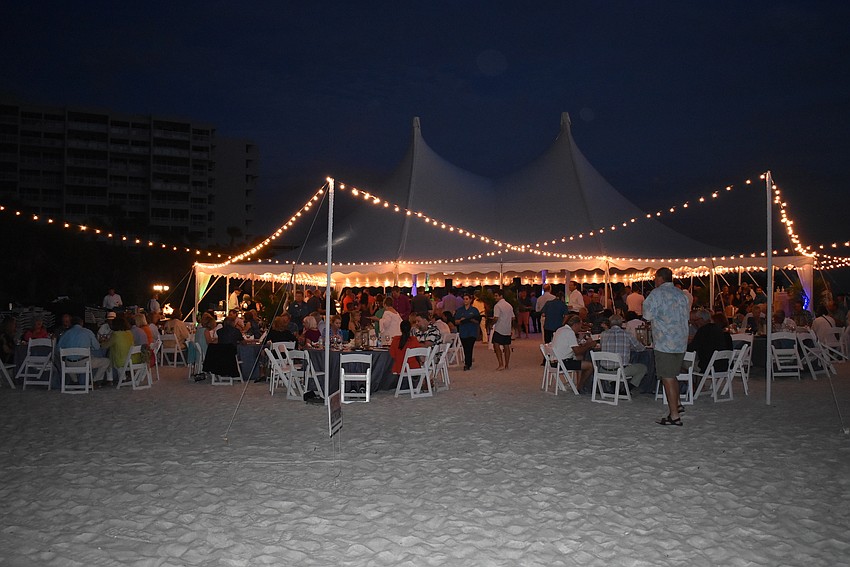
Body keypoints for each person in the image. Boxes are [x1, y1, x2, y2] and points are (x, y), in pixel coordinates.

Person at [643, 267, 690, 426]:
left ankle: (674, 416)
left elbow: (647, 315)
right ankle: (677, 404)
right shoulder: (682, 295)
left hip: (665, 342)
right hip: (681, 342)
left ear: (659, 278)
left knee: (667, 377)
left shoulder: (656, 294)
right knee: (673, 375)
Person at [57, 316, 111, 386]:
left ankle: (75, 381)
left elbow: (58, 349)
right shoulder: (87, 332)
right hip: (85, 362)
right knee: (106, 361)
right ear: (81, 323)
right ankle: (95, 381)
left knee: (68, 361)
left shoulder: (65, 334)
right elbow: (97, 347)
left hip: (69, 364)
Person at [600, 314, 647, 389]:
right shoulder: (627, 335)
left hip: (603, 370)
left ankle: (614, 385)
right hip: (620, 371)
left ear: (610, 323)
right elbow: (641, 348)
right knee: (643, 368)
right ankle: (627, 388)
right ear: (621, 323)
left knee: (614, 364)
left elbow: (602, 347)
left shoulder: (603, 334)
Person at [551, 315, 597, 391]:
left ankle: (578, 384)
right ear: (576, 324)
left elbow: (574, 348)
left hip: (554, 360)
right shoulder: (570, 332)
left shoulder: (560, 329)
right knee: (590, 366)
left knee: (579, 358)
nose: (580, 328)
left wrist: (584, 344)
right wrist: (590, 344)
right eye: (580, 326)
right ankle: (580, 386)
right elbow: (577, 351)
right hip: (563, 362)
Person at [454, 293, 481, 371]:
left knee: (470, 347)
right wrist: (461, 320)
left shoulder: (474, 310)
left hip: (472, 331)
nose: (465, 301)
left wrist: (472, 320)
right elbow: (456, 322)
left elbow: (478, 321)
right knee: (465, 348)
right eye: (464, 299)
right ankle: (468, 362)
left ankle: (467, 363)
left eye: (467, 299)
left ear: (470, 300)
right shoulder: (460, 310)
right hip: (463, 331)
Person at [103, 316, 135, 382]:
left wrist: (102, 342)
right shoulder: (129, 333)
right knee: (112, 352)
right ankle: (122, 378)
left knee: (108, 357)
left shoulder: (115, 334)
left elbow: (105, 346)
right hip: (131, 358)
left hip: (120, 360)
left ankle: (110, 380)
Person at [491, 289, 515, 371]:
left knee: (496, 345)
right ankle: (507, 365)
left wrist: (491, 323)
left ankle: (501, 364)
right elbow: (513, 317)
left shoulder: (497, 306)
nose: (495, 297)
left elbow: (496, 318)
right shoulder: (509, 305)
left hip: (499, 328)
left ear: (501, 296)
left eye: (496, 296)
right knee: (506, 345)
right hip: (507, 328)